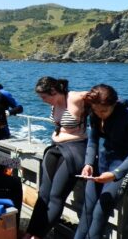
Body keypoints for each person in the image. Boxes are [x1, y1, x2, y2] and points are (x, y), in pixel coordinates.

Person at [74, 84, 128, 239]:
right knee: (87, 209)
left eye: (104, 111)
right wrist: (88, 163)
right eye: (96, 110)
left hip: (122, 168)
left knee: (100, 212)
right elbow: (92, 142)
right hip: (100, 165)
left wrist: (114, 174)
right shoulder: (95, 114)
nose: (100, 114)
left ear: (114, 104)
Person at [23, 77, 88, 239]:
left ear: (54, 91)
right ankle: (29, 232)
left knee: (56, 196)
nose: (43, 101)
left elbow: (108, 98)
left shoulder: (76, 97)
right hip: (55, 148)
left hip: (74, 150)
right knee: (43, 193)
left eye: (44, 97)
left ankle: (38, 236)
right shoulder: (54, 103)